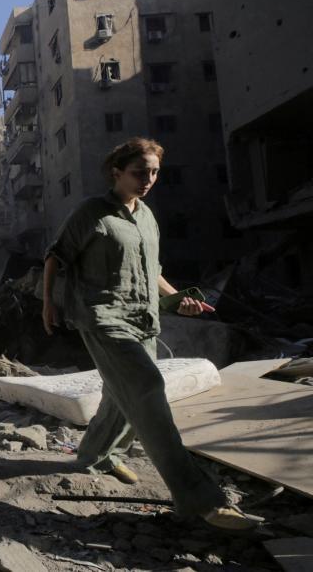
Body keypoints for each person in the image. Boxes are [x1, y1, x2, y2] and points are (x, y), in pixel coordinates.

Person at [42, 137, 254, 530]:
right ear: (116, 172)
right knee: (147, 390)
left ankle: (95, 455)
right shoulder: (92, 213)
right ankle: (199, 499)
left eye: (155, 172)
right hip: (102, 318)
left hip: (143, 318)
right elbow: (56, 256)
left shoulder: (147, 217)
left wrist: (178, 299)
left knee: (119, 395)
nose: (149, 179)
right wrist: (48, 304)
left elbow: (151, 270)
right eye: (140, 172)